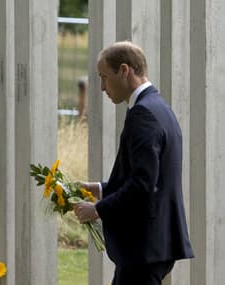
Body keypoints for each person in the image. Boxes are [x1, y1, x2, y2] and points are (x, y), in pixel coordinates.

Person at [74, 41, 194, 285]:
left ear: (124, 70)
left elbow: (142, 184)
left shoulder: (144, 114)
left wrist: (97, 209)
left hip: (144, 247)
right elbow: (149, 177)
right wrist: (98, 188)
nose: (101, 87)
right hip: (152, 245)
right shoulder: (159, 107)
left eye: (104, 77)